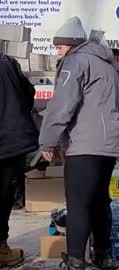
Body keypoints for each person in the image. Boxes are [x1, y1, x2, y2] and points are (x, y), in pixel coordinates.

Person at [39, 17, 119, 270]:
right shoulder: (107, 64)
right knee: (100, 200)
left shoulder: (76, 61)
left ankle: (76, 260)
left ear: (70, 44)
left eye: (59, 46)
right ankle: (103, 254)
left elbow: (61, 106)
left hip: (86, 144)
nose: (57, 51)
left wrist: (48, 141)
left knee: (78, 203)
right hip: (110, 144)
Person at [0, 53, 39, 267]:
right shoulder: (7, 62)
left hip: (7, 141)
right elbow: (28, 93)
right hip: (9, 142)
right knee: (3, 196)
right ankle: (1, 249)